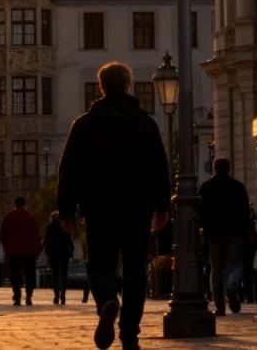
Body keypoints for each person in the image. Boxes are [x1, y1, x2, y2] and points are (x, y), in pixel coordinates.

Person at [57, 61, 170, 350]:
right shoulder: (145, 124)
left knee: (100, 266)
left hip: (99, 207)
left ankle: (108, 299)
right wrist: (161, 206)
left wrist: (67, 210)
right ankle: (130, 331)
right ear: (128, 85)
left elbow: (68, 170)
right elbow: (159, 166)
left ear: (102, 87)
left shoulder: (84, 124)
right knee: (135, 270)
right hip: (137, 207)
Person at [198, 157, 253, 315]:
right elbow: (245, 212)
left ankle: (219, 307)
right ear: (228, 168)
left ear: (214, 168)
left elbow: (200, 213)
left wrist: (204, 231)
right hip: (235, 233)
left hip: (214, 235)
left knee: (216, 269)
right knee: (236, 264)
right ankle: (232, 285)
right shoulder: (238, 187)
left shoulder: (206, 187)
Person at [0, 197, 41, 306]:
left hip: (14, 251)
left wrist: (6, 247)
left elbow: (3, 234)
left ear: (15, 204)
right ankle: (28, 295)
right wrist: (37, 250)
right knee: (29, 274)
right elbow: (37, 235)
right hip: (29, 251)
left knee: (15, 274)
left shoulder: (8, 217)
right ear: (24, 204)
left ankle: (17, 296)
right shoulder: (32, 218)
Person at [44, 210, 74, 305]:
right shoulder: (63, 227)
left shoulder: (49, 227)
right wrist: (71, 252)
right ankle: (63, 295)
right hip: (64, 254)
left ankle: (56, 295)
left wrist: (47, 252)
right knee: (63, 274)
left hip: (53, 254)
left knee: (55, 275)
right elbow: (69, 241)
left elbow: (47, 240)